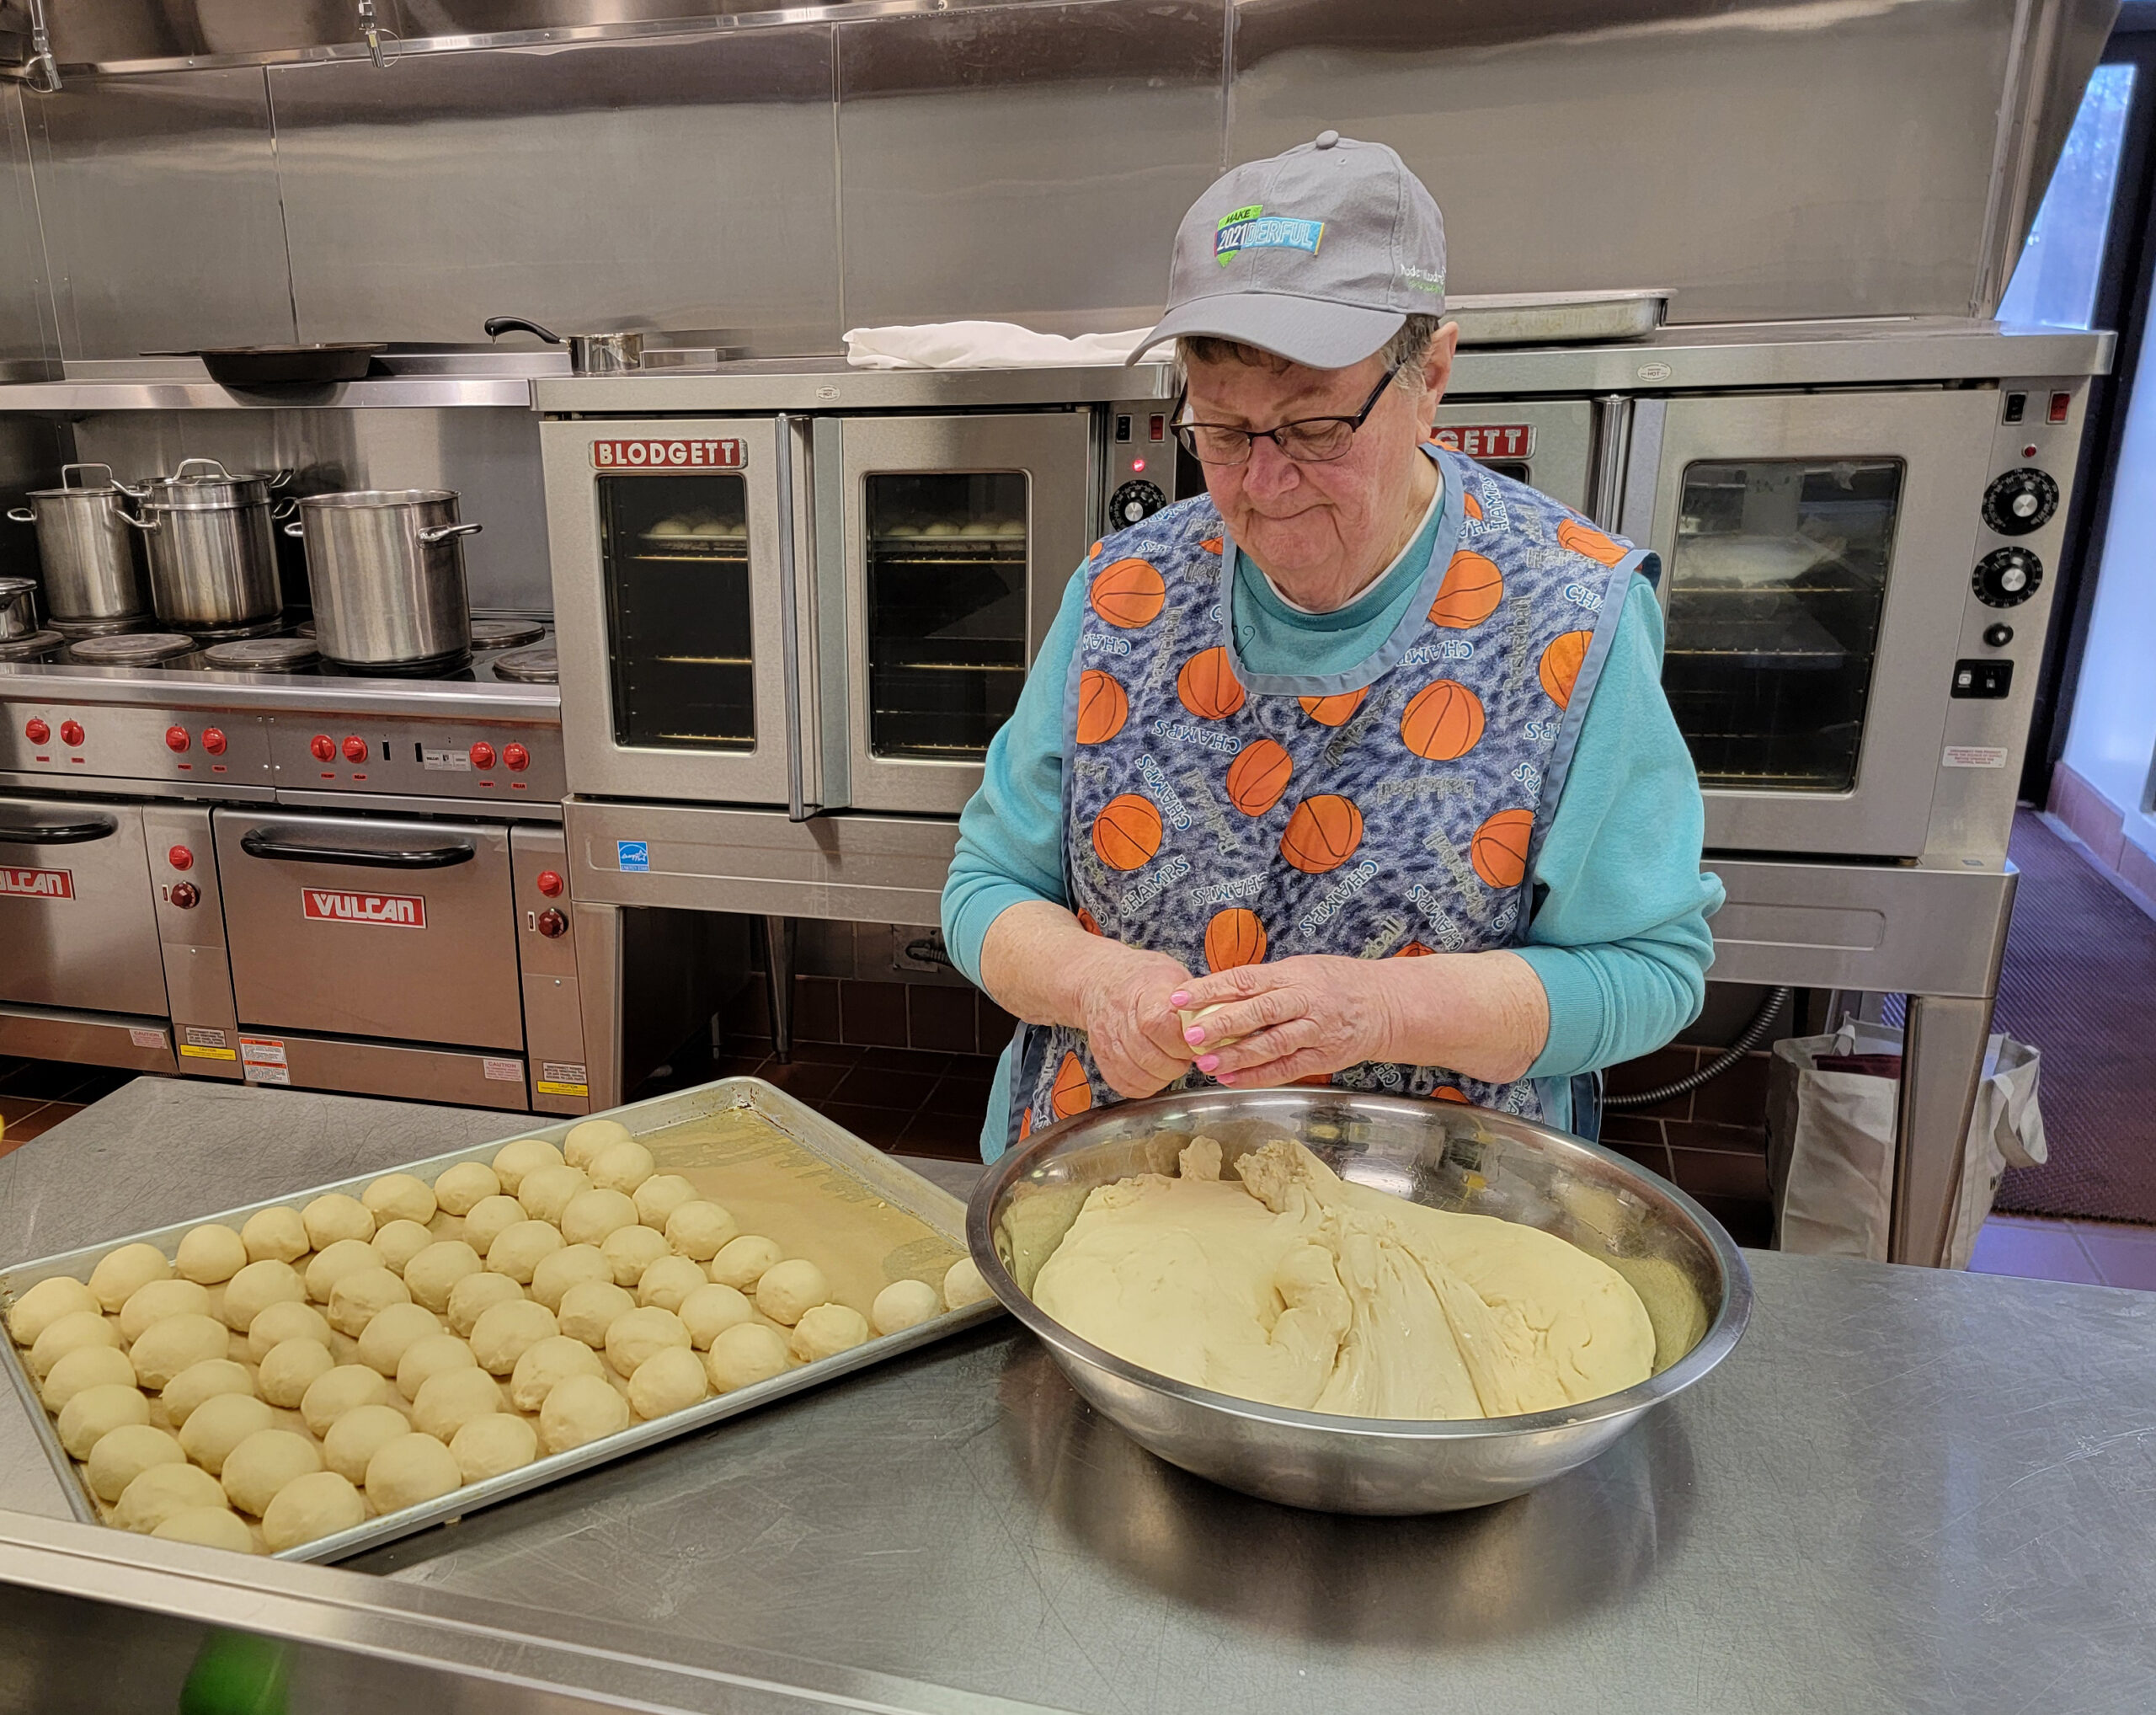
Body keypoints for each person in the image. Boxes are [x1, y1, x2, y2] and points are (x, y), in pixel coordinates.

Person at [941, 131, 1721, 1159]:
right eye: (1220, 431)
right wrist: (1104, 988)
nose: (1262, 484)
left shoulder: (1571, 615)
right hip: (1114, 1177)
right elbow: (986, 886)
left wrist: (1381, 1008)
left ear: (1430, 373)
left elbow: (1647, 968)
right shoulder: (1122, 592)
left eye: (1314, 430)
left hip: (1431, 1207)